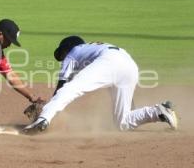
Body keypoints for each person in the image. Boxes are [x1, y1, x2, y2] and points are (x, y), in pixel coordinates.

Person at [23, 35, 178, 134]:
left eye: (62, 54)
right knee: (122, 122)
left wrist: (48, 109)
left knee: (70, 89)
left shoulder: (73, 53)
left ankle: (43, 119)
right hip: (129, 65)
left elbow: (62, 86)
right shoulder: (93, 51)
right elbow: (124, 91)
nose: (63, 58)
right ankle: (158, 111)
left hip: (109, 62)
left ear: (67, 49)